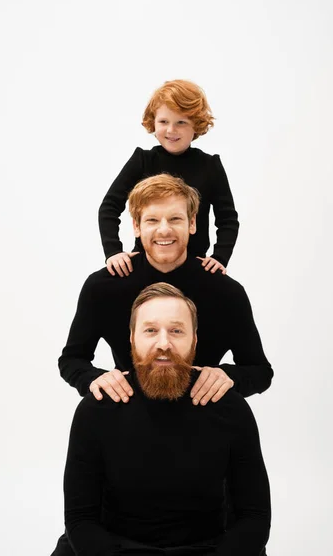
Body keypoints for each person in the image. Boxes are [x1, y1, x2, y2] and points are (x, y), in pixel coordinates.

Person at [51, 174, 273, 555]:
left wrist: (227, 377)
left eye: (175, 219)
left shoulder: (224, 290)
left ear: (193, 224)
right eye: (152, 220)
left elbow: (260, 371)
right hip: (126, 427)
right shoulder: (104, 286)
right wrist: (98, 382)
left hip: (204, 439)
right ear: (135, 226)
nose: (163, 230)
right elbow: (72, 358)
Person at [63, 283, 271, 555]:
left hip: (208, 548)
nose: (164, 344)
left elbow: (254, 518)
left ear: (194, 339)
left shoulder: (229, 407)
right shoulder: (97, 408)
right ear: (132, 338)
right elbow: (80, 521)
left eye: (176, 331)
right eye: (150, 330)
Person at [99, 79, 239, 278]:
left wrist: (220, 257)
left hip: (193, 266)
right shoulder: (142, 161)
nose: (171, 130)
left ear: (196, 125)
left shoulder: (210, 166)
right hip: (146, 263)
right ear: (153, 122)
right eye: (163, 122)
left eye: (181, 122)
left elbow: (227, 219)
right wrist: (113, 252)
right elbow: (109, 206)